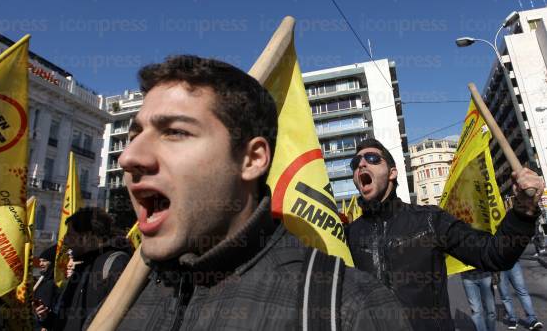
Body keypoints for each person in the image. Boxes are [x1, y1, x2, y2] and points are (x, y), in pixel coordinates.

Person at [112, 55, 412, 330]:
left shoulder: (350, 308)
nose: (129, 157)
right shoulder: (119, 305)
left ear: (253, 159)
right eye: (135, 135)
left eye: (175, 131)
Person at [345, 138, 545, 331]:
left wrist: (524, 210)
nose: (361, 164)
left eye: (372, 158)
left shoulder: (430, 220)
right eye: (355, 163)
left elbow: (494, 253)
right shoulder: (349, 235)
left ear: (392, 172)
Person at [34, 207, 130, 331]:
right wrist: (47, 317)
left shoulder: (115, 263)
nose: (66, 241)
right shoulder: (82, 267)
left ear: (87, 236)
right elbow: (69, 323)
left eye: (70, 234)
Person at [497, 261, 543, 330]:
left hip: (513, 263)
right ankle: (512, 318)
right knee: (504, 295)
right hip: (498, 267)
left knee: (522, 292)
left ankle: (532, 319)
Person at [33, 245, 58, 331]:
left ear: (52, 262)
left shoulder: (52, 283)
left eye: (44, 261)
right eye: (40, 261)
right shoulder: (42, 280)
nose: (40, 264)